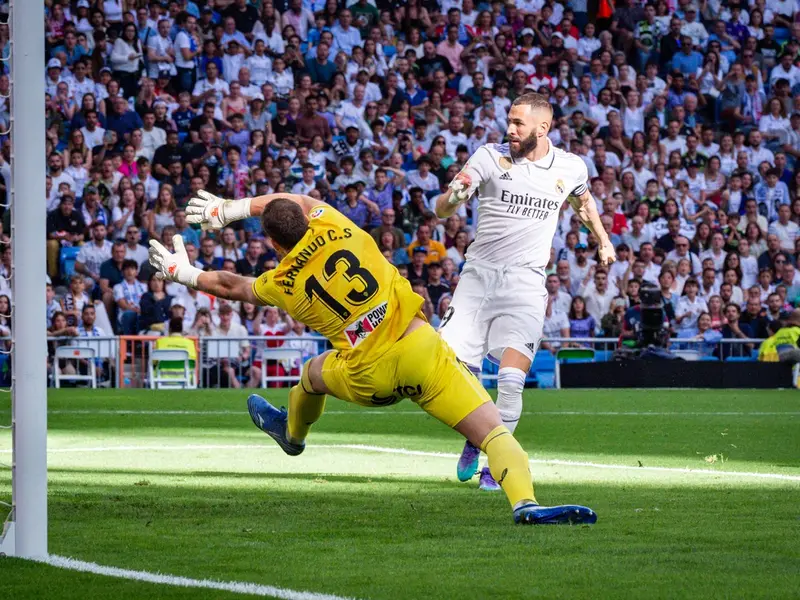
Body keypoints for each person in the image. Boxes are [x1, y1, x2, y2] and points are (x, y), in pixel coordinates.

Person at [148, 189, 598, 526]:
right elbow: (296, 199)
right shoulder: (337, 225)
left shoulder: (282, 280)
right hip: (420, 348)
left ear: (273, 244)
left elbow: (232, 286)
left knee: (311, 376)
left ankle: (293, 435)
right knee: (495, 435)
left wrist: (182, 272)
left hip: (368, 376)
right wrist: (229, 208)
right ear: (307, 219)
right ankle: (525, 503)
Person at [434, 93, 616, 490]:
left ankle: (494, 466)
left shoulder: (569, 166)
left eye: (518, 123)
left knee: (512, 380)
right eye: (509, 121)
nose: (510, 129)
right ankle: (475, 435)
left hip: (526, 283)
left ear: (543, 127)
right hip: (478, 280)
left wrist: (603, 239)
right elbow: (441, 208)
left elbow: (584, 204)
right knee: (454, 373)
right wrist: (455, 197)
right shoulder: (488, 157)